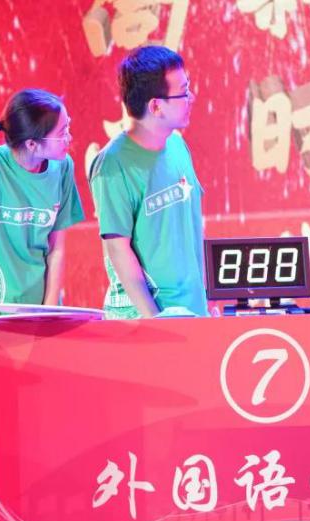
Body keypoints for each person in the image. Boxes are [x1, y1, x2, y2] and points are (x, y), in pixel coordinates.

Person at [0, 88, 85, 330]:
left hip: (40, 308)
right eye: (62, 133)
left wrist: (49, 312)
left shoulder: (62, 168)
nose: (69, 138)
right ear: (32, 144)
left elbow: (57, 249)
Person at [90, 45, 208, 319]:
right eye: (183, 91)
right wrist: (153, 318)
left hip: (193, 314)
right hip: (144, 320)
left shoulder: (177, 146)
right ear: (155, 106)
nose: (191, 97)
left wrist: (206, 298)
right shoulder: (112, 166)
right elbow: (118, 248)